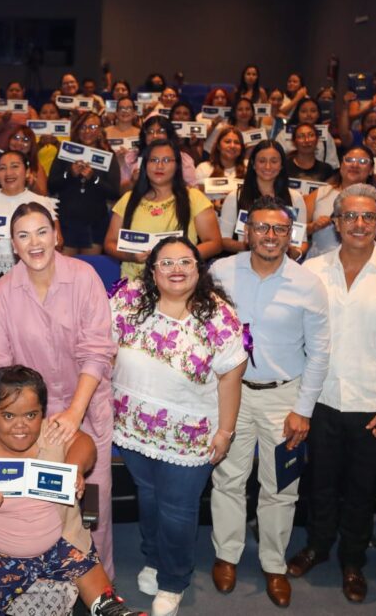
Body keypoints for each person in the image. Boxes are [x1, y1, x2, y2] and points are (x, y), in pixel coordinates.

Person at [0, 202, 119, 578]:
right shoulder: (6, 290)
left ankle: (101, 589)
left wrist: (75, 415)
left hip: (86, 409)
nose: (35, 243)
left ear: (56, 234)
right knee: (41, 508)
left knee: (93, 507)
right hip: (32, 420)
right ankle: (51, 589)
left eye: (42, 232)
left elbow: (96, 352)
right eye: (24, 235)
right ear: (13, 245)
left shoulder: (84, 277)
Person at [289, 184, 376, 603]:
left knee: (362, 489)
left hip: (375, 406)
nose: (359, 225)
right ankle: (317, 546)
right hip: (322, 400)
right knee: (321, 483)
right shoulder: (311, 271)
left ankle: (352, 561)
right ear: (335, 222)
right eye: (350, 216)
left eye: (369, 217)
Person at [110, 236, 246, 616]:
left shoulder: (217, 314)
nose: (176, 270)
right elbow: (102, 349)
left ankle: (174, 580)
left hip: (190, 437)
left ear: (198, 269)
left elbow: (232, 375)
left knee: (177, 510)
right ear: (152, 270)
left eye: (185, 262)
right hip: (133, 427)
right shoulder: (128, 299)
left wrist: (226, 431)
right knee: (149, 498)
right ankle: (154, 559)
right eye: (166, 263)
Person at [0, 365, 145, 616]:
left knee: (84, 561)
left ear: (42, 413)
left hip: (56, 544)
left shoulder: (52, 433)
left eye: (31, 415)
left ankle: (109, 608)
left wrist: (75, 468)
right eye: (8, 416)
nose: (21, 426)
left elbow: (85, 443)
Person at [208, 197, 330, 608]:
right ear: (247, 232)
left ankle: (273, 563)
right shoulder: (221, 272)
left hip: (284, 397)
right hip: (232, 395)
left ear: (290, 233)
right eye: (261, 228)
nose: (270, 236)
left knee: (281, 487)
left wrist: (304, 410)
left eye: (279, 229)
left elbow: (320, 351)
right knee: (228, 479)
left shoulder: (307, 282)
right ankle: (227, 554)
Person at [105, 139, 221, 280]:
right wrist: (130, 256)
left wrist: (180, 257)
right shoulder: (129, 199)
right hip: (134, 283)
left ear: (177, 165)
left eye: (166, 160)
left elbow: (214, 243)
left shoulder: (194, 198)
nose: (159, 166)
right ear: (145, 165)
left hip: (179, 279)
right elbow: (110, 243)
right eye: (153, 160)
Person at [0, 150, 59, 289]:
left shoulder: (42, 203)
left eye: (15, 166)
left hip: (35, 273)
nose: (8, 173)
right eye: (2, 168)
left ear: (27, 172)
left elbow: (59, 241)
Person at [305, 146, 376, 258]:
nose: (355, 165)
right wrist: (312, 227)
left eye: (363, 161)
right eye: (349, 160)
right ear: (341, 165)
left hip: (364, 267)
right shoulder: (320, 193)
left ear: (371, 169)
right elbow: (295, 232)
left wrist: (368, 235)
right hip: (319, 265)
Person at [219, 142, 308, 258]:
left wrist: (296, 252)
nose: (268, 167)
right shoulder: (235, 197)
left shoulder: (295, 198)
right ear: (253, 164)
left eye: (274, 161)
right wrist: (254, 246)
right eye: (262, 161)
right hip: (245, 264)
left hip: (283, 265)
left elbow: (302, 241)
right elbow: (223, 240)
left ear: (281, 165)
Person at [49, 112, 121, 255]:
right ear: (77, 130)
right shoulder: (66, 152)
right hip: (67, 222)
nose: (87, 131)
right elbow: (51, 186)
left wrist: (94, 178)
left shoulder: (108, 156)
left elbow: (114, 193)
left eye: (93, 126)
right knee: (66, 272)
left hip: (95, 224)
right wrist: (69, 174)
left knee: (90, 270)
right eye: (83, 127)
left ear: (100, 130)